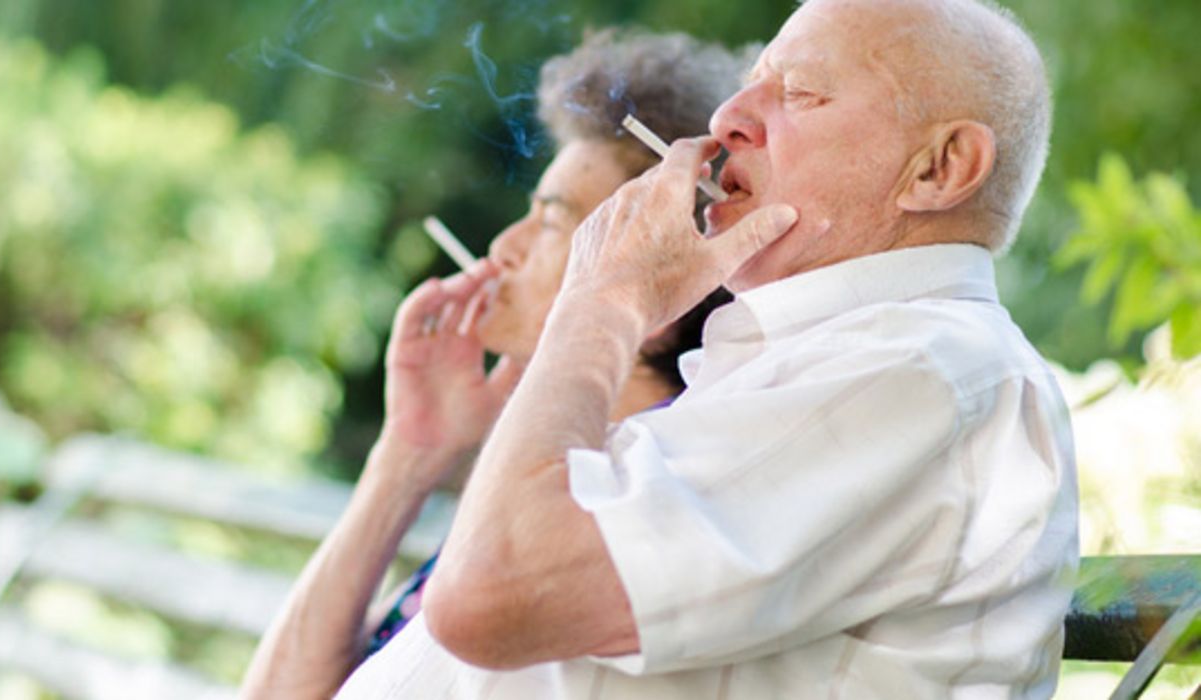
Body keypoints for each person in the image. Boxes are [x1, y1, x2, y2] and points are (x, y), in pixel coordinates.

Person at [336, 0, 1079, 698]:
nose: (728, 119)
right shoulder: (832, 363)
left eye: (801, 94)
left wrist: (603, 301)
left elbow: (488, 596)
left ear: (939, 168)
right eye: (748, 84)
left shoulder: (923, 371)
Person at [238, 29, 750, 700]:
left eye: (547, 222)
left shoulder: (610, 509)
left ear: (658, 281)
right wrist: (409, 454)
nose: (503, 248)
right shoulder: (540, 478)